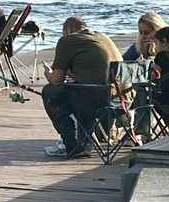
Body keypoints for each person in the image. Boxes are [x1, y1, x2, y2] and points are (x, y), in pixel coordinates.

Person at [41, 17, 123, 159]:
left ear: (67, 31)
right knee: (80, 91)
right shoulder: (102, 37)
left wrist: (48, 73)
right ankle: (84, 142)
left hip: (95, 101)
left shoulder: (68, 40)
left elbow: (56, 80)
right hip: (121, 101)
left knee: (50, 92)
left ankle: (71, 144)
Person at [121, 12, 167, 140]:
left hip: (165, 90)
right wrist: (144, 57)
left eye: (147, 32)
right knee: (137, 89)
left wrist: (152, 56)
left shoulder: (167, 48)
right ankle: (136, 131)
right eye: (140, 32)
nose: (143, 36)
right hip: (139, 91)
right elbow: (121, 67)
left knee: (142, 90)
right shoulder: (137, 48)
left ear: (157, 31)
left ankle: (139, 132)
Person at [153, 26, 169, 134]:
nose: (155, 47)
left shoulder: (162, 56)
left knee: (147, 96)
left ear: (164, 42)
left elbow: (153, 77)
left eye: (156, 43)